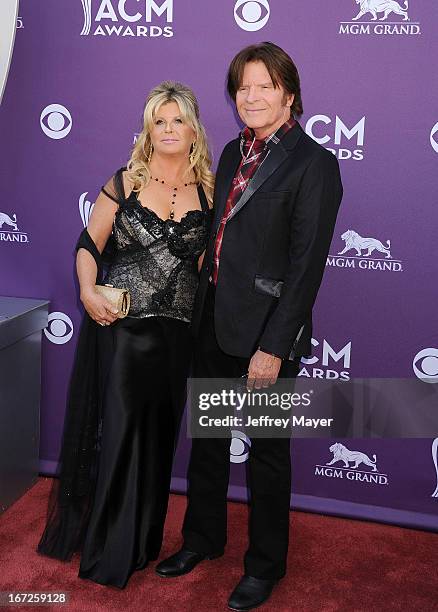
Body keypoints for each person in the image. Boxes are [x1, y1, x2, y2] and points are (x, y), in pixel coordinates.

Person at [156, 43, 343, 610]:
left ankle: (264, 566)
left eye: (265, 86)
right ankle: (203, 540)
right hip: (212, 319)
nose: (253, 96)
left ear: (289, 93)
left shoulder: (314, 164)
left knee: (266, 454)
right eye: (244, 87)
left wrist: (273, 347)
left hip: (266, 334)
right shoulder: (236, 149)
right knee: (208, 442)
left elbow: (305, 268)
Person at [37, 81, 214, 589]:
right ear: (148, 130)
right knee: (119, 437)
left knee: (158, 442)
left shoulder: (210, 190)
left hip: (177, 338)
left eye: (178, 119)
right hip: (123, 332)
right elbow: (88, 242)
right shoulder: (125, 182)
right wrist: (89, 290)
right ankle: (107, 550)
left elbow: (209, 270)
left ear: (194, 129)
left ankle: (141, 543)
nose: (169, 129)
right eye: (160, 121)